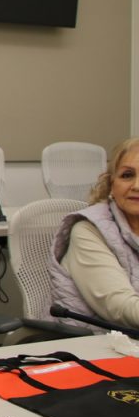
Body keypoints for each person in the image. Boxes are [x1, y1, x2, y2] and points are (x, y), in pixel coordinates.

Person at [50, 137, 139, 331]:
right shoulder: (88, 230)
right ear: (111, 184)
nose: (137, 186)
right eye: (127, 175)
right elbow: (119, 306)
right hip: (95, 345)